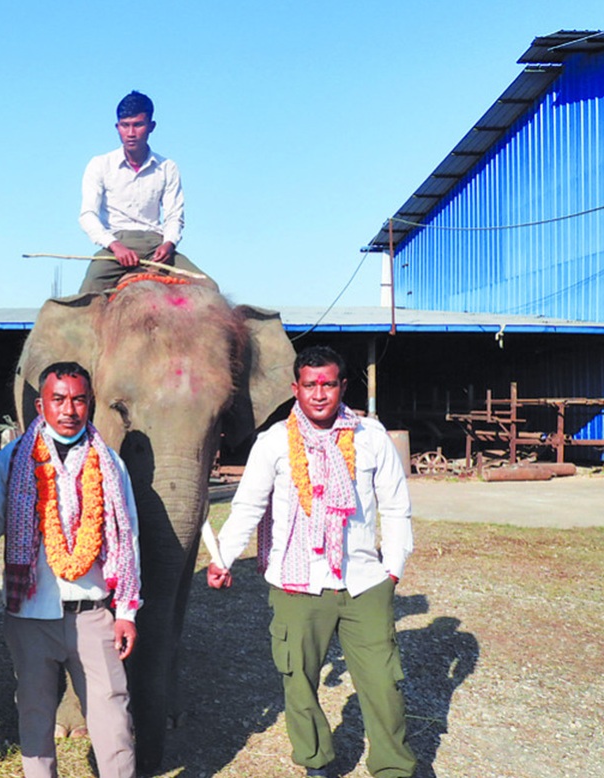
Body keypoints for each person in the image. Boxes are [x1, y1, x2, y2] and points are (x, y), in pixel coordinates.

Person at [207, 345, 417, 778]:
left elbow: (396, 506)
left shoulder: (370, 436)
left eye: (328, 384)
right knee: (298, 682)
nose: (319, 394)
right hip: (297, 584)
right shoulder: (273, 443)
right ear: (295, 389)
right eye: (310, 385)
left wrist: (392, 567)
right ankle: (317, 763)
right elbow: (248, 506)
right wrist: (223, 557)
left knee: (384, 684)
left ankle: (394, 767)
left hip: (363, 582)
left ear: (342, 386)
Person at [0, 362, 141, 778]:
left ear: (90, 403)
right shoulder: (13, 457)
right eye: (59, 399)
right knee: (35, 714)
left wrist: (126, 611)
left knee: (114, 716)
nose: (69, 409)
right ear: (42, 404)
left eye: (78, 399)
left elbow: (127, 539)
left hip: (93, 614)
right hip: (30, 614)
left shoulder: (109, 464)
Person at [77, 90, 206, 294]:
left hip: (156, 245)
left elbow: (174, 216)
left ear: (151, 127)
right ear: (117, 127)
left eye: (138, 125)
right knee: (88, 294)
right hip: (116, 247)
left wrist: (169, 244)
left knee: (208, 287)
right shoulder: (99, 165)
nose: (130, 132)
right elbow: (87, 215)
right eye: (125, 125)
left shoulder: (167, 167)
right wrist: (115, 246)